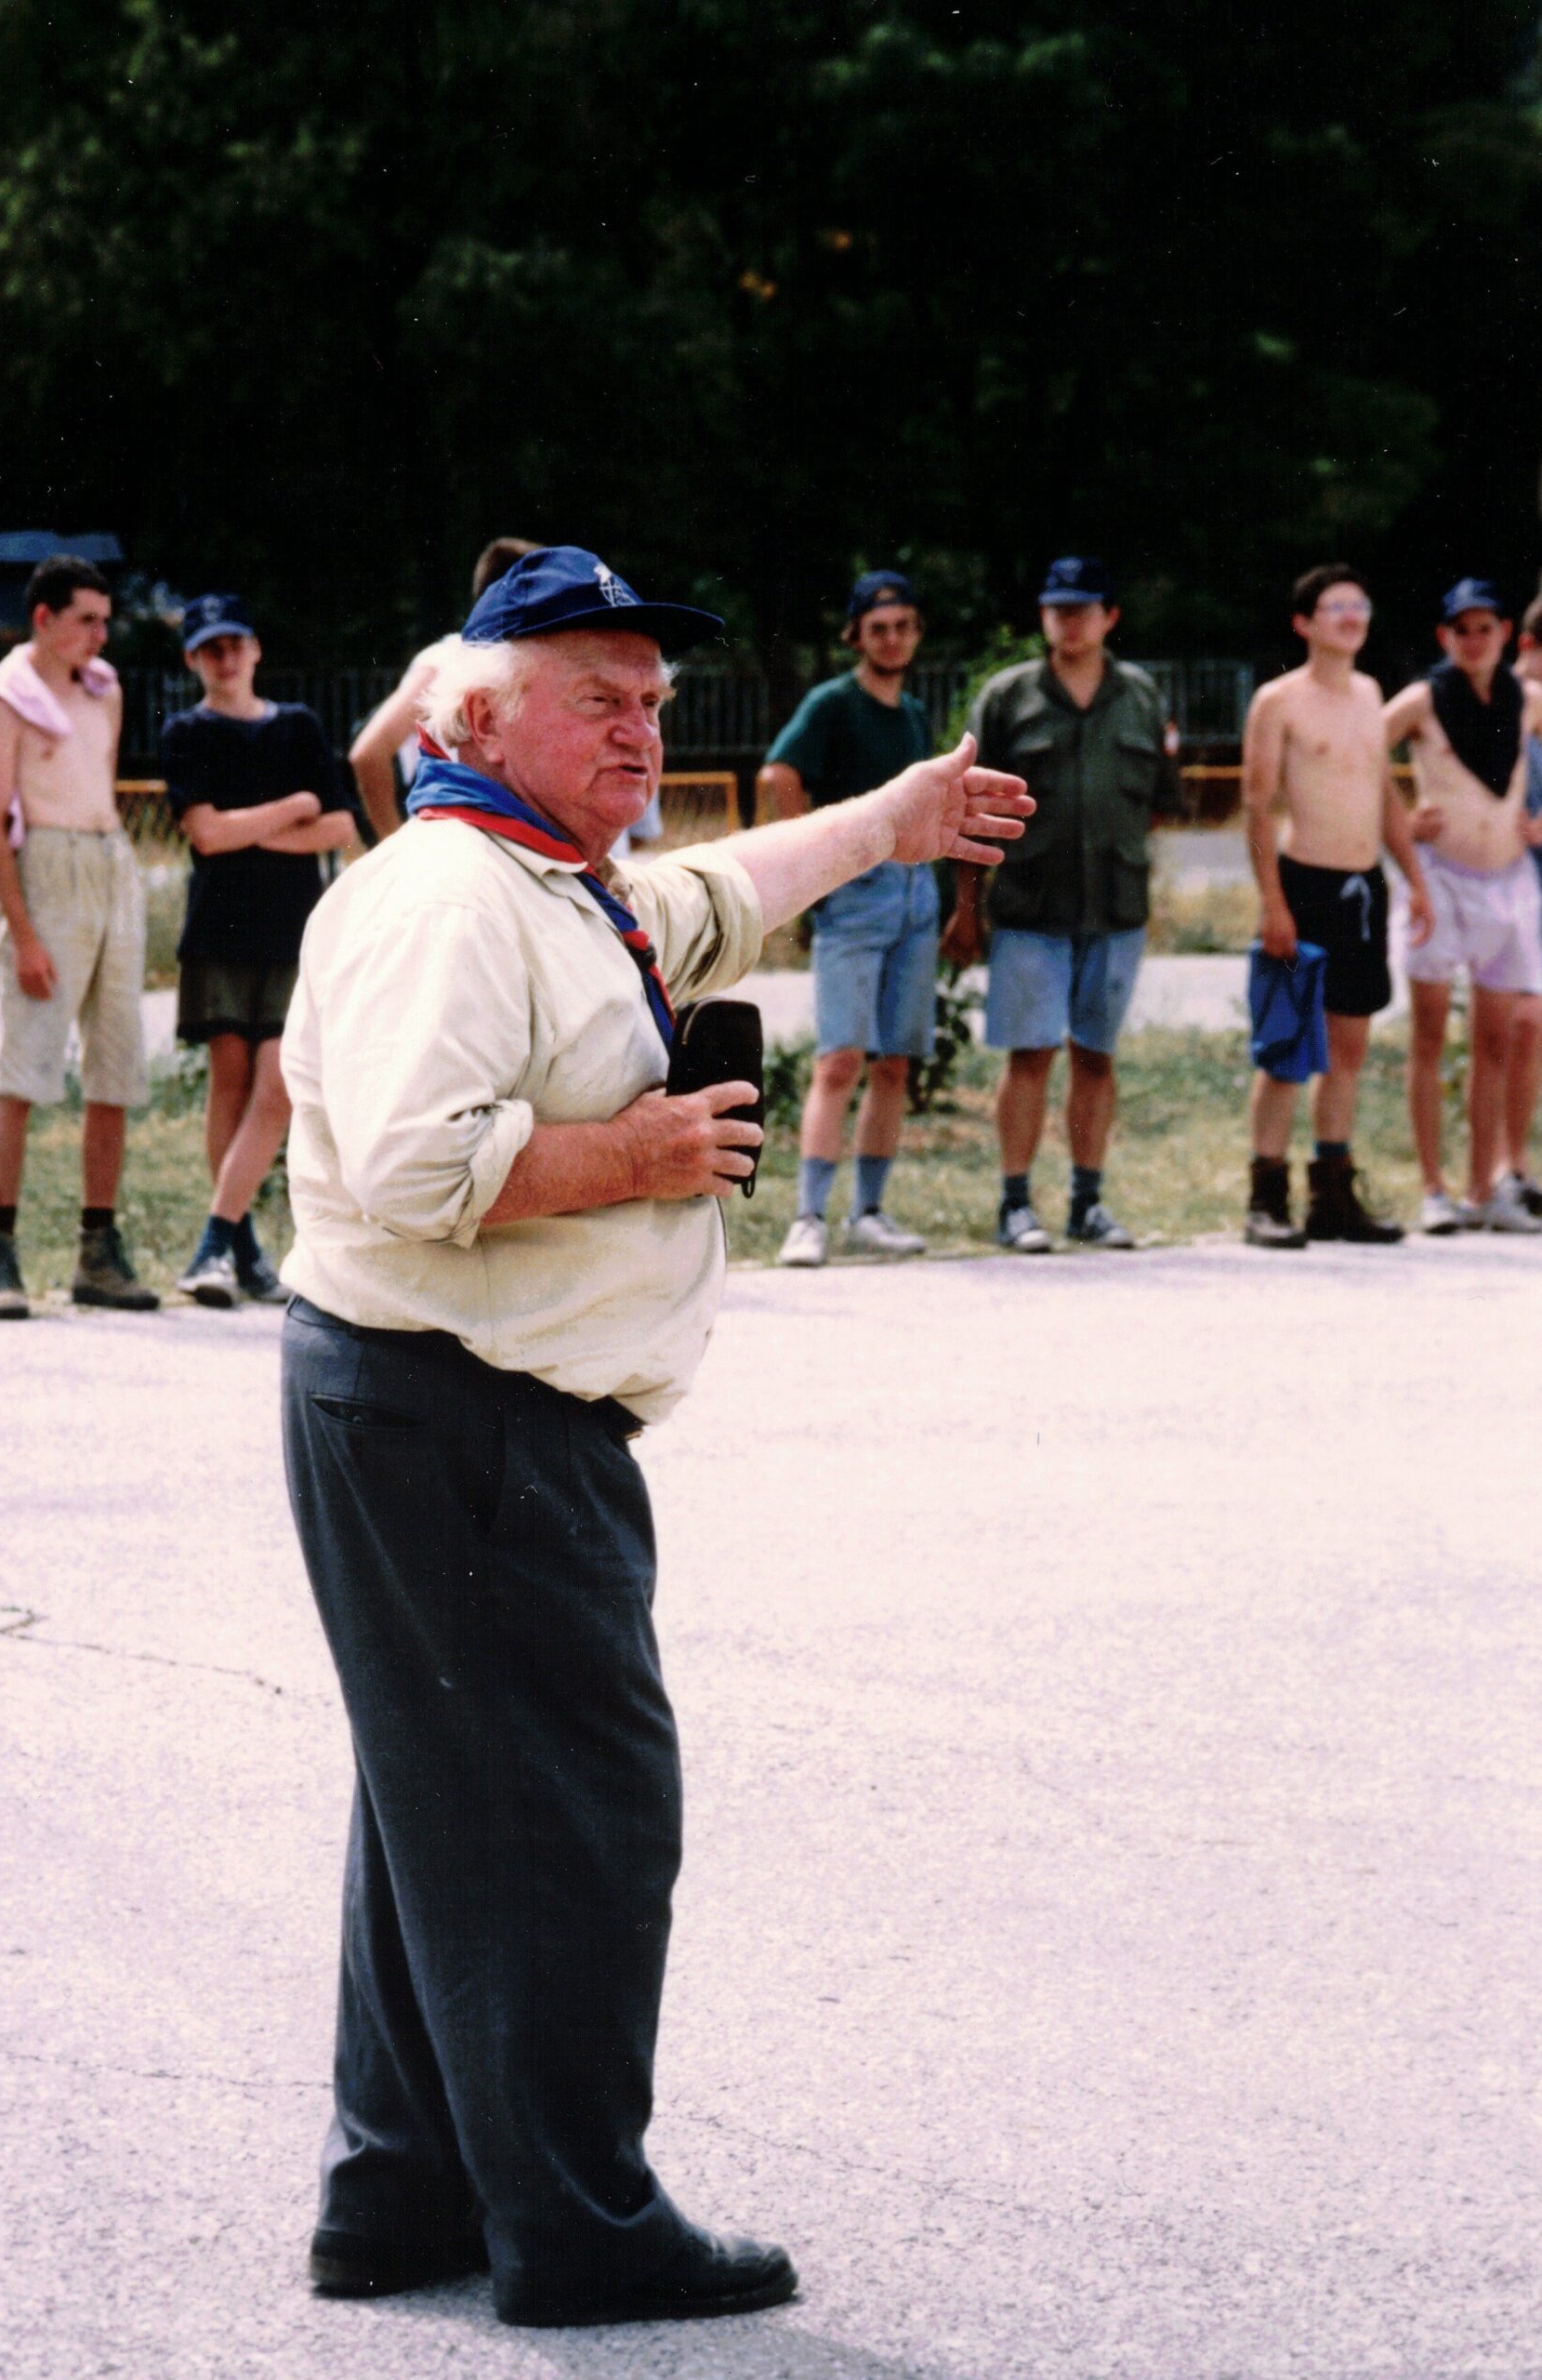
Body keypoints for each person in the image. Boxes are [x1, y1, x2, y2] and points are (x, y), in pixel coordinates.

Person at [276, 545, 1030, 2326]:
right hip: (462, 1416)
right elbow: (411, 1163)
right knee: (574, 1817)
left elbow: (716, 892)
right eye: (595, 697)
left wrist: (891, 816)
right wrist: (649, 1154)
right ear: (476, 714)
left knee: (438, 1807)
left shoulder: (550, 877)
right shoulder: (453, 897)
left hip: (435, 1407)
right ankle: (579, 2226)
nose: (640, 729)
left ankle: (401, 2195)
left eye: (654, 701)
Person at [942, 555, 1183, 1251]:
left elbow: (1160, 802)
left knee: (1097, 1056)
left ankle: (1088, 1200)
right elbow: (969, 808)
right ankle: (1016, 1203)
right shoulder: (1009, 696)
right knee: (1030, 1055)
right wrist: (968, 906)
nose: (1068, 621)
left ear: (1110, 617)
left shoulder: (1140, 696)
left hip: (1115, 909)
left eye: (1082, 608)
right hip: (1029, 905)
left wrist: (1127, 859)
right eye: (1057, 608)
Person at [161, 594, 359, 1306]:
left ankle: (214, 1239)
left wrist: (253, 829)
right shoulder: (186, 732)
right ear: (193, 658)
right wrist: (289, 810)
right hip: (219, 927)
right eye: (211, 647)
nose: (226, 657)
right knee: (232, 1081)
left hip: (292, 928)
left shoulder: (297, 727)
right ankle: (242, 1253)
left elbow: (337, 825)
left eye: (236, 643)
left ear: (256, 650)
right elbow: (205, 835)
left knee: (279, 1086)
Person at [1240, 564, 1432, 1248]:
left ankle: (1333, 1194)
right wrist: (1272, 903)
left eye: (1360, 604)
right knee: (1288, 1047)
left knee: (1348, 1047)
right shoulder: (1278, 701)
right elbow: (1258, 807)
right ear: (1305, 623)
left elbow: (1383, 797)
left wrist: (1414, 880)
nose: (1352, 617)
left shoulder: (1371, 695)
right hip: (1302, 886)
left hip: (1362, 887)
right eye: (1336, 607)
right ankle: (1266, 1195)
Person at [0, 554, 157, 1319]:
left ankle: (98, 1249)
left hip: (110, 865)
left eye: (105, 618)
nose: (101, 632)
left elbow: (103, 785)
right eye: (86, 618)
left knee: (116, 1064)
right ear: (45, 619)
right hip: (46, 871)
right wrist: (24, 935)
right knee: (23, 1069)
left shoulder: (105, 690)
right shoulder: (5, 699)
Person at [758, 569, 936, 1265]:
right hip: (856, 894)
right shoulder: (835, 702)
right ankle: (808, 1216)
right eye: (877, 629)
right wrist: (809, 868)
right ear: (856, 636)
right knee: (840, 1059)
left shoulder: (914, 713)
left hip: (915, 895)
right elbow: (780, 773)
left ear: (916, 633)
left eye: (902, 627)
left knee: (893, 1062)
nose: (891, 640)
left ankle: (871, 1210)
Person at [1383, 576, 1542, 1234]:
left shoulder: (1526, 698)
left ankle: (1486, 1188)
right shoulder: (1423, 698)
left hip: (1508, 881)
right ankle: (1433, 1187)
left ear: (1506, 633)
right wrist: (1399, 826)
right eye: (1461, 629)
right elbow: (1359, 757)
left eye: (1486, 628)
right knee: (1426, 1034)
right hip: (1440, 882)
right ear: (1445, 635)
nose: (1474, 640)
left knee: (1497, 1039)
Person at [349, 536, 543, 838]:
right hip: (465, 850)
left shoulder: (538, 665)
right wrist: (394, 845)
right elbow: (369, 753)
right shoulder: (448, 659)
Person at [1496, 589, 1542, 1212]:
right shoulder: (1498, 702)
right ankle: (1508, 1167)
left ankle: (1516, 1165)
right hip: (1504, 884)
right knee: (1517, 1027)